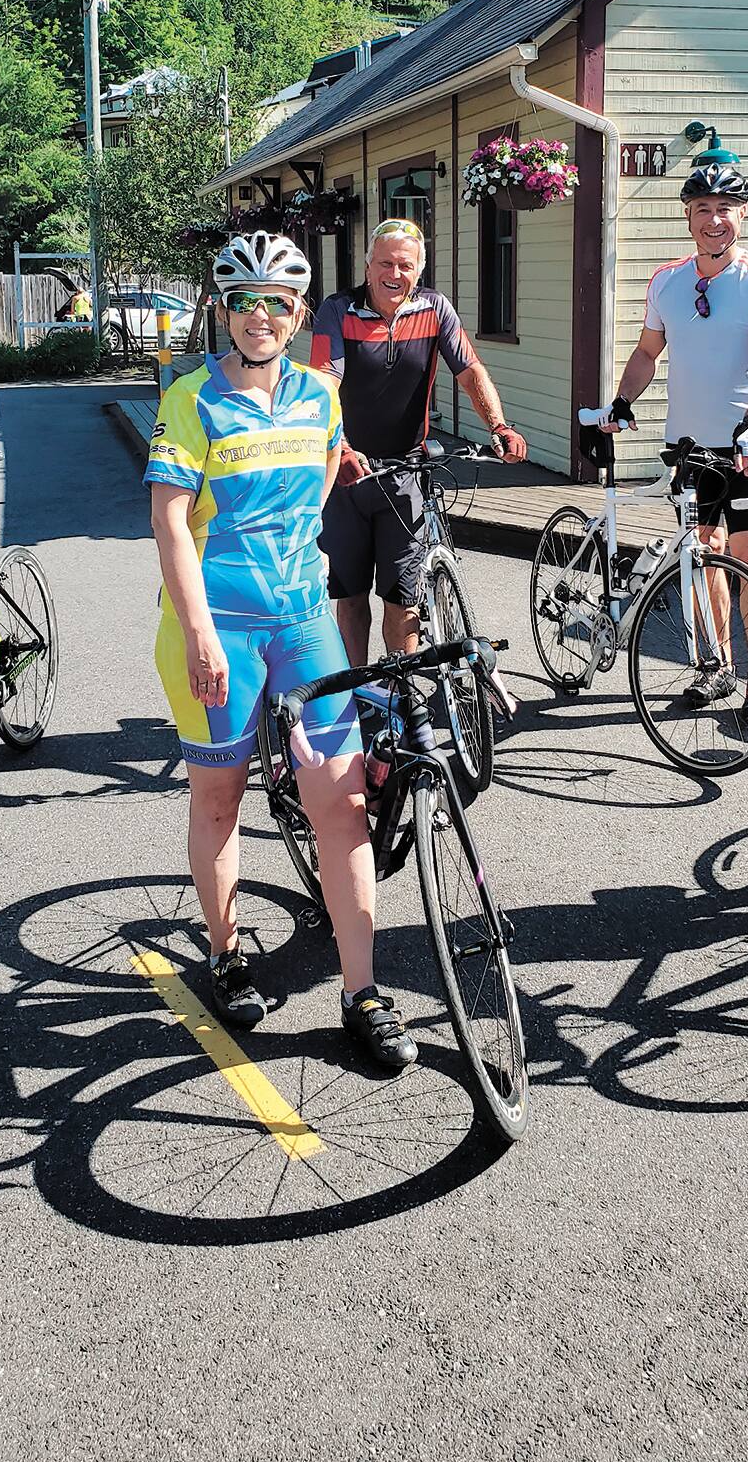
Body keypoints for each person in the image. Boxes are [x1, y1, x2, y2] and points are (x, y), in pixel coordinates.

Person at [147, 230, 417, 1070]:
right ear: (223, 310)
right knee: (218, 799)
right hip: (217, 626)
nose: (259, 316)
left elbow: (327, 467)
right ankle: (226, 953)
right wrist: (198, 632)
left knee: (342, 805)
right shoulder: (190, 398)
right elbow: (168, 521)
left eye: (277, 302)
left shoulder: (320, 395)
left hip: (303, 622)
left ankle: (363, 992)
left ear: (300, 314)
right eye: (243, 301)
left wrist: (322, 516)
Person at [595, 148, 748, 726]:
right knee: (703, 555)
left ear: (743, 214)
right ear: (687, 216)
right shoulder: (667, 280)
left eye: (726, 208)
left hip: (746, 448)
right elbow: (647, 351)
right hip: (689, 448)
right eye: (703, 208)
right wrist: (622, 401)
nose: (715, 219)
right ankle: (718, 665)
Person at [311, 217, 527, 665]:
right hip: (347, 475)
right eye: (385, 263)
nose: (394, 273)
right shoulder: (338, 310)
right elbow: (324, 384)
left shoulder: (435, 309)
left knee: (402, 598)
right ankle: (356, 692)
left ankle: (401, 690)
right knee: (350, 596)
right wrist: (341, 447)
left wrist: (499, 426)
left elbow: (469, 370)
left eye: (405, 265)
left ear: (419, 270)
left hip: (406, 472)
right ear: (368, 266)